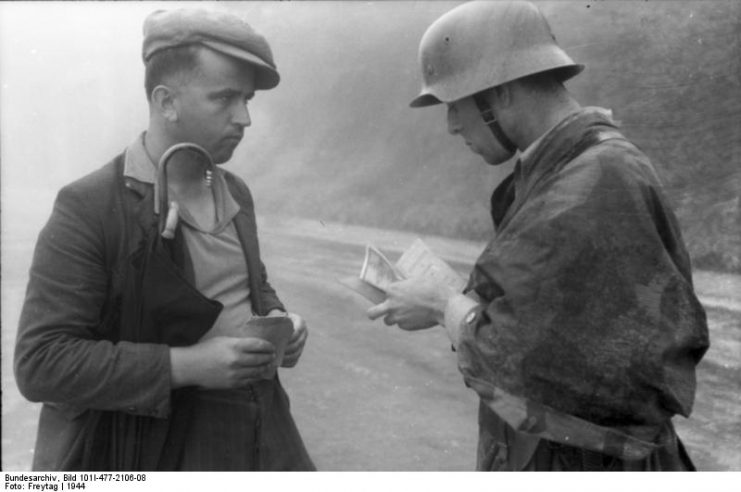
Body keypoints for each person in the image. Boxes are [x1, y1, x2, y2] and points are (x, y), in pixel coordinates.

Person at [368, 1, 709, 471]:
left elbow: (531, 363)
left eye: (454, 104)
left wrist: (443, 306)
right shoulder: (569, 167)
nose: (450, 126)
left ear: (501, 91)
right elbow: (556, 321)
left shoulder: (597, 179)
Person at [14, 8, 315, 471]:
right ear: (166, 101)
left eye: (248, 99)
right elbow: (42, 363)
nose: (246, 118)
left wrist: (276, 318)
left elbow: (253, 286)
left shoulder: (235, 192)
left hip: (263, 433)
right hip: (157, 448)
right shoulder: (89, 207)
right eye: (226, 99)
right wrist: (188, 365)